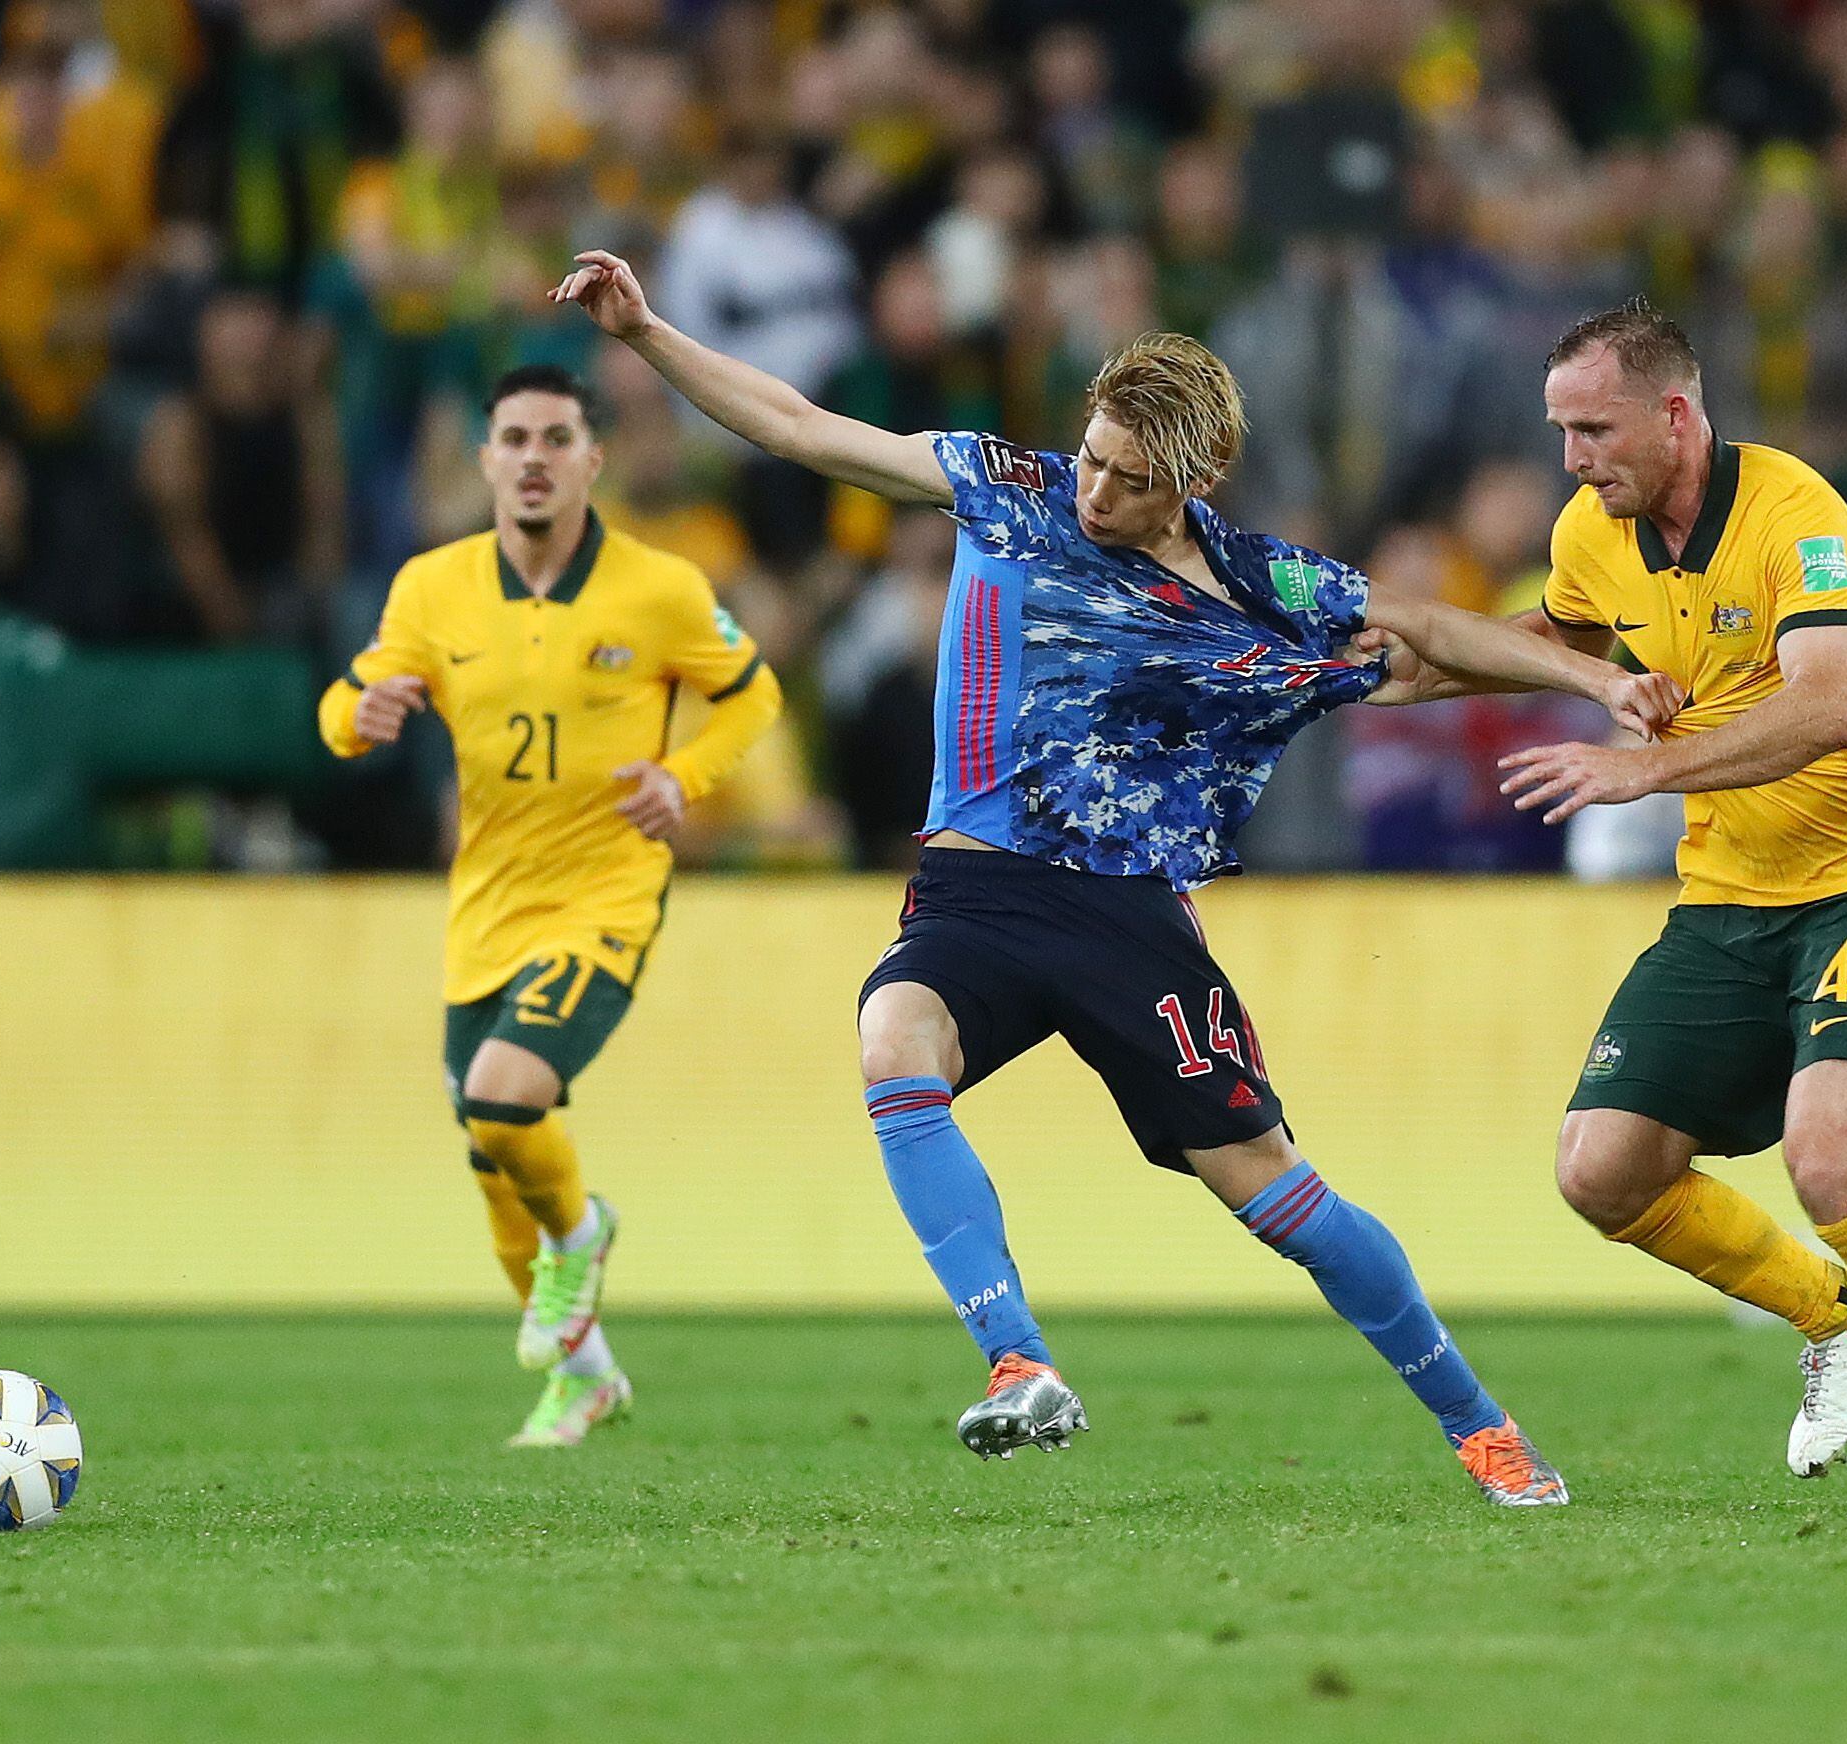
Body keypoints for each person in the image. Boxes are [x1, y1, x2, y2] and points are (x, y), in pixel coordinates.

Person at [550, 249, 1679, 1507]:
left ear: (1195, 480)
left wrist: (1595, 680)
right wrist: (647, 333)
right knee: (892, 1038)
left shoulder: (1258, 584)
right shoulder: (1002, 486)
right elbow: (805, 428)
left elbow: (1422, 634)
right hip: (974, 892)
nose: (1092, 488)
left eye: (1128, 477)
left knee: (1271, 1191)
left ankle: (1482, 1428)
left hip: (1127, 911)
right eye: (1089, 453)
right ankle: (1016, 1361)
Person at [1374, 299, 1847, 1508]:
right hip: (1728, 893)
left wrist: (1642, 769)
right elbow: (1529, 641)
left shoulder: (1797, 516)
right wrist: (1367, 674)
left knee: (1828, 1159)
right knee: (1601, 1168)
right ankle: (1836, 1319)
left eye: (1591, 430)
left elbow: (1832, 701)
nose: (1570, 458)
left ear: (1673, 415)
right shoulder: (1592, 533)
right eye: (1559, 431)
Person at [317, 363, 783, 1447]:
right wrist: (362, 713)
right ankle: (586, 1377)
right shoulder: (431, 589)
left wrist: (685, 777)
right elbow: (342, 704)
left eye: (556, 437)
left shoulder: (658, 589)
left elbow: (750, 692)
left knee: (502, 1098)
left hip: (605, 894)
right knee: (492, 1162)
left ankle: (584, 1233)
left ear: (592, 459)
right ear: (484, 460)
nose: (533, 457)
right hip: (485, 909)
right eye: (514, 438)